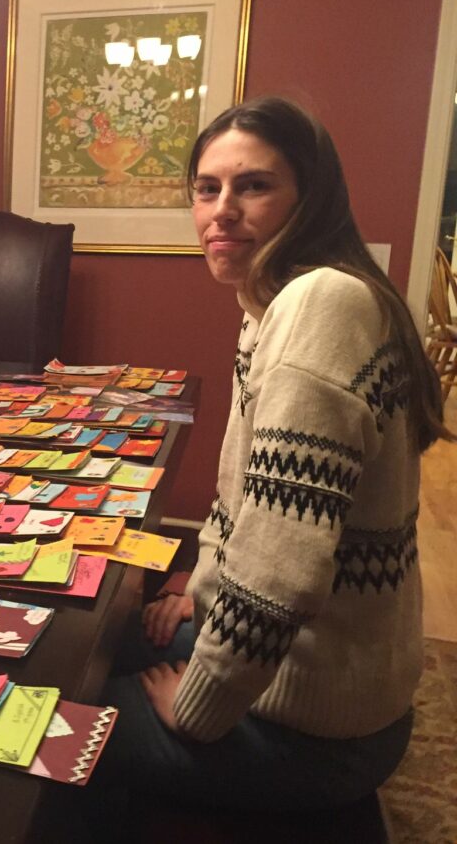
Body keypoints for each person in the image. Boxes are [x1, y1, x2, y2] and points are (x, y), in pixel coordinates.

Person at [92, 96, 453, 816]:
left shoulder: (319, 304)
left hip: (314, 732)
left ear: (310, 197)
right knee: (108, 636)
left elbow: (281, 572)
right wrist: (194, 586)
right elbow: (252, 507)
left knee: (50, 722)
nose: (221, 209)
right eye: (206, 188)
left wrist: (193, 710)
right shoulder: (276, 303)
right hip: (335, 693)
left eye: (253, 185)